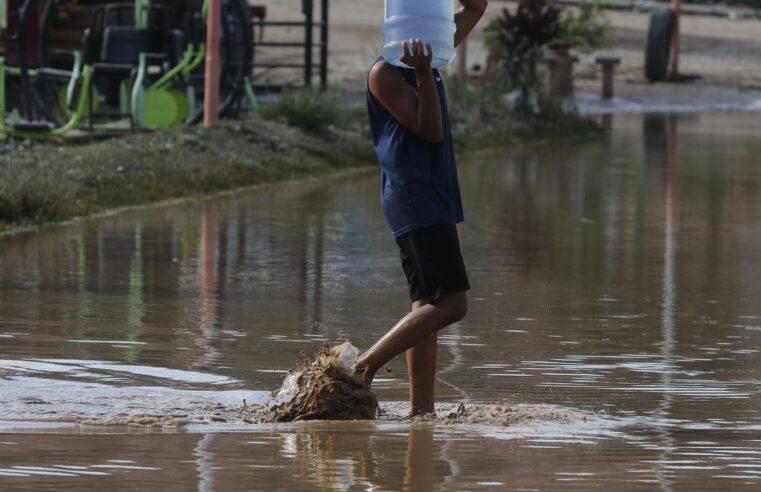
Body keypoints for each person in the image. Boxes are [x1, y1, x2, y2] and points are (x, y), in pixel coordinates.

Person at [353, 0, 488, 417]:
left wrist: (430, 58)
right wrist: (426, 72)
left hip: (434, 195)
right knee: (452, 304)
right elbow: (430, 131)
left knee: (426, 304)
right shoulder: (385, 73)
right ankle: (364, 366)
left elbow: (477, 7)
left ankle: (421, 411)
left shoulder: (430, 55)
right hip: (415, 198)